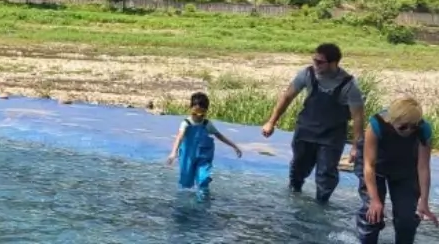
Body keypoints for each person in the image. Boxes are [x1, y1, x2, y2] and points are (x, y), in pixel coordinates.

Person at [261, 43, 365, 204]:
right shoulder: (307, 74)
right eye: (314, 60)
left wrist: (356, 146)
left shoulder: (349, 85)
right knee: (297, 169)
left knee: (325, 174)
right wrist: (271, 122)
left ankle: (322, 205)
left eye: (320, 62)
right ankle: (293, 197)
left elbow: (358, 116)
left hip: (332, 137)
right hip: (305, 131)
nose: (315, 64)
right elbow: (287, 97)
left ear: (334, 63)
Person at [356, 96, 438, 244]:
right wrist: (375, 200)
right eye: (403, 127)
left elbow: (423, 167)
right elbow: (369, 165)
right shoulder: (376, 125)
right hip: (376, 168)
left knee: (406, 219)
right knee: (372, 215)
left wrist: (424, 201)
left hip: (405, 170)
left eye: (413, 126)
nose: (408, 130)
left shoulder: (423, 129)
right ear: (391, 121)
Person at [166, 92, 243, 200]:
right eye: (195, 113)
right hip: (187, 157)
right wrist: (173, 153)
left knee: (203, 179)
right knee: (186, 182)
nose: (198, 116)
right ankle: (183, 202)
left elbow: (219, 135)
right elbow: (179, 137)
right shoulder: (186, 123)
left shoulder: (207, 124)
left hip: (203, 157)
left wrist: (234, 146)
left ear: (206, 112)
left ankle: (202, 200)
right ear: (190, 108)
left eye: (202, 113)